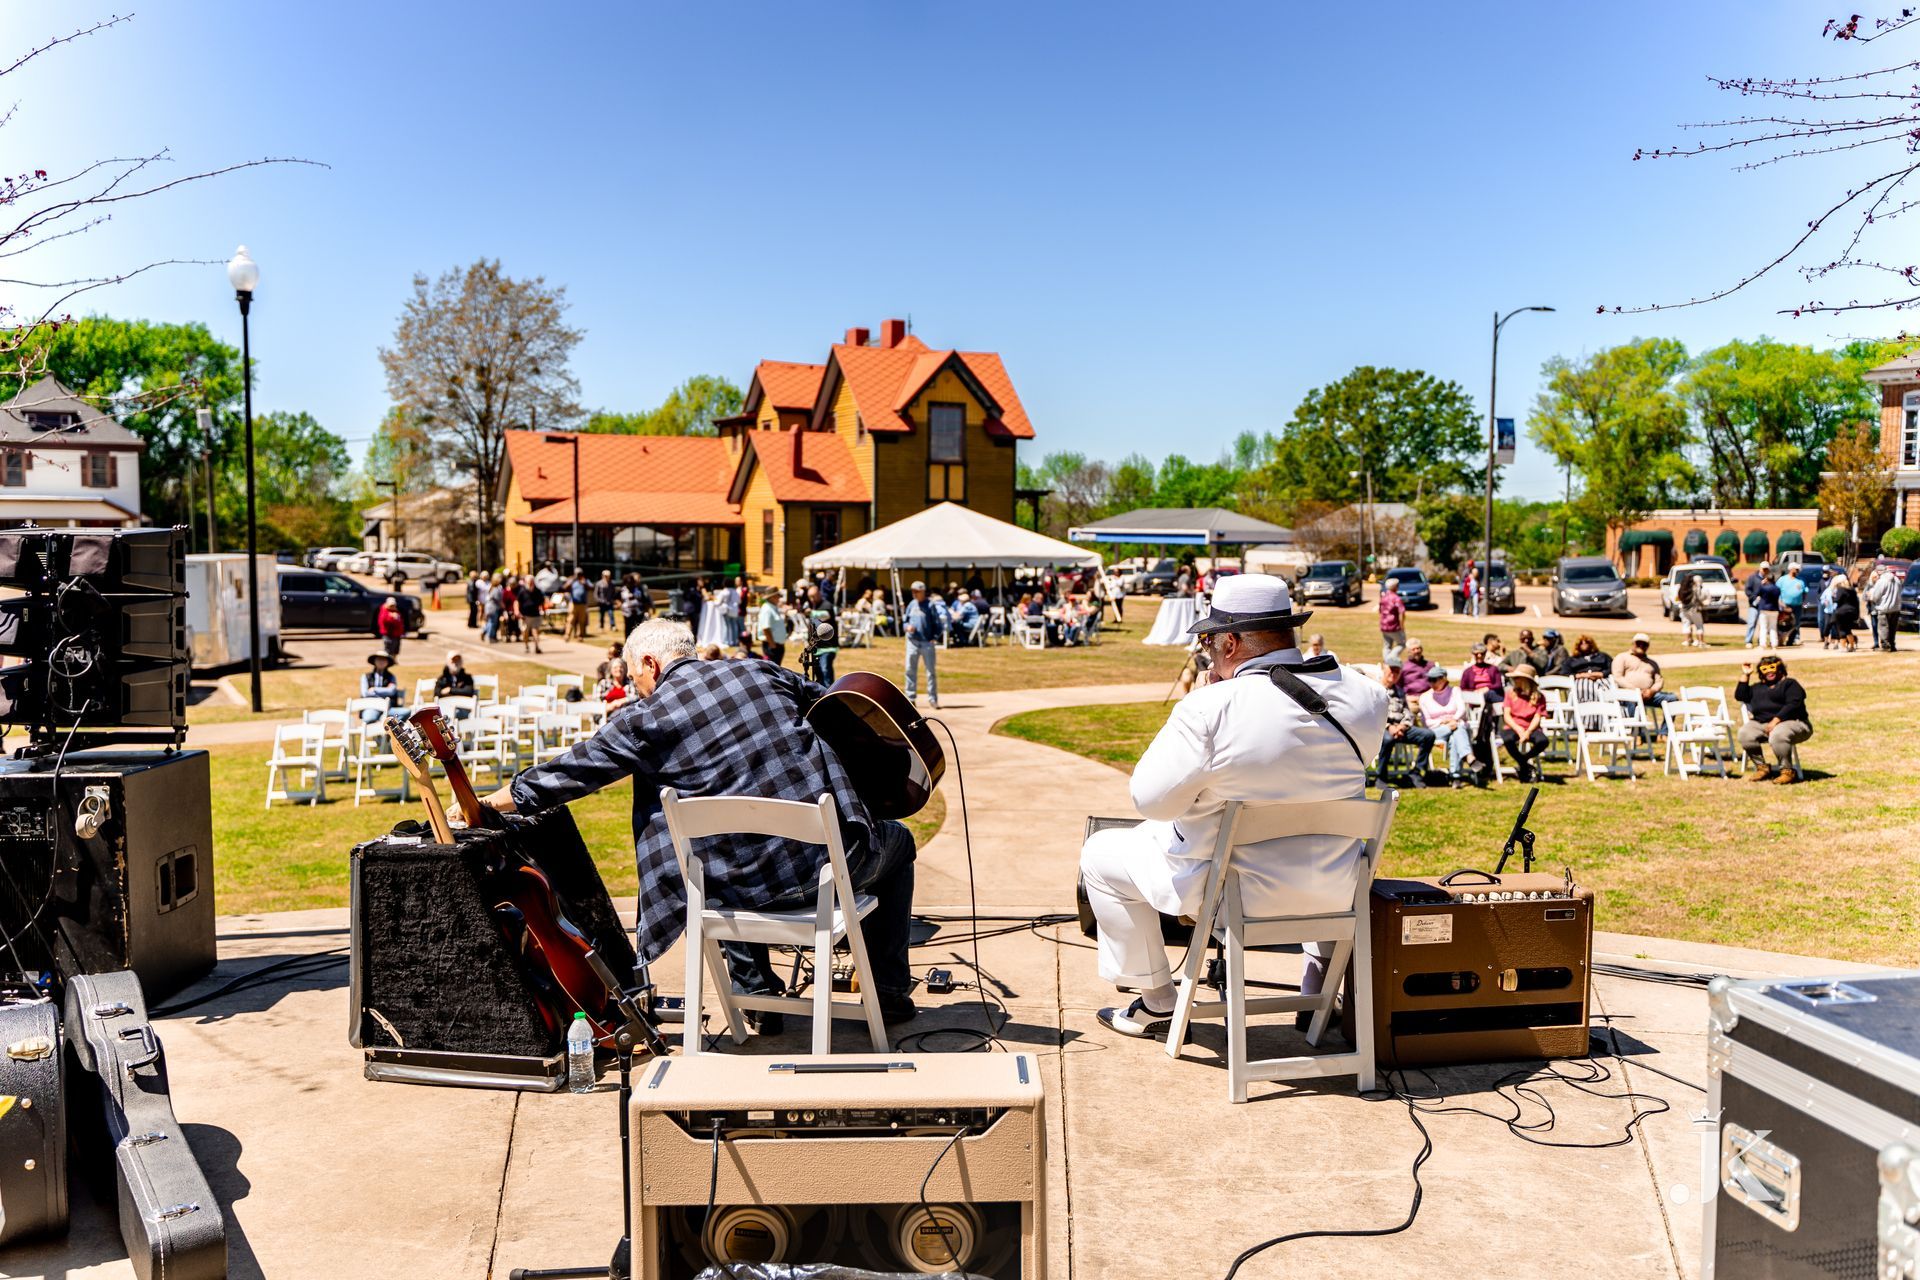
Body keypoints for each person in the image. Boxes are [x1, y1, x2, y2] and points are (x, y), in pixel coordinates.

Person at [479, 618, 921, 1028]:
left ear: (651, 663)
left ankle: (755, 996)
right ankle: (887, 994)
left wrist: (490, 801)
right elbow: (831, 708)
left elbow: (569, 773)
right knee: (899, 842)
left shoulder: (642, 720)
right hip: (836, 870)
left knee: (717, 855)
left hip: (739, 892)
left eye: (636, 679)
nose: (638, 690)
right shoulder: (761, 672)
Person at [1080, 574, 1386, 1037]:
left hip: (1232, 897)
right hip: (1335, 889)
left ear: (1231, 643)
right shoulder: (1368, 696)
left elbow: (1151, 800)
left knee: (1100, 854)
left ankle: (1158, 999)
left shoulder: (1211, 708)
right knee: (1314, 841)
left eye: (1207, 640)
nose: (1206, 651)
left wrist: (1200, 701)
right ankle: (1316, 994)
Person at [1734, 653, 1812, 784]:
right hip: (1763, 724)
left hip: (1795, 723)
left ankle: (1787, 771)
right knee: (1744, 733)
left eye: (1772, 667)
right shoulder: (1757, 688)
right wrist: (1746, 674)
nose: (1769, 671)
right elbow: (1740, 695)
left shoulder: (1789, 684)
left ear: (1780, 668)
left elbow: (1794, 704)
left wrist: (1776, 721)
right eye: (1765, 669)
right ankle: (1762, 768)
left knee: (1778, 734)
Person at [1376, 657, 1435, 787]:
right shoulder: (1375, 689)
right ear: (1384, 669)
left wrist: (1403, 725)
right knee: (1387, 740)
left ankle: (1416, 772)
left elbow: (1407, 712)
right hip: (1381, 728)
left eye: (1397, 671)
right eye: (1391, 670)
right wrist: (1389, 726)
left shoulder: (1400, 691)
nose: (1394, 674)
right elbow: (1372, 713)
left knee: (1428, 735)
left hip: (1401, 728)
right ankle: (1381, 776)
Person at [1417, 667, 1475, 788]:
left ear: (1443, 679)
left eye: (1434, 679)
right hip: (1436, 731)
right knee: (1457, 728)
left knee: (1455, 738)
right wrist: (1445, 723)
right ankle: (1468, 756)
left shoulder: (1455, 691)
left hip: (1456, 726)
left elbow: (1462, 710)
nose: (1431, 683)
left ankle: (1455, 777)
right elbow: (1428, 723)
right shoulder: (1424, 697)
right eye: (1429, 680)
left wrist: (1453, 720)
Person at [1499, 664, 1550, 782]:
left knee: (1543, 741)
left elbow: (1538, 717)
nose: (1514, 680)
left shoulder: (1539, 697)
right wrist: (1518, 729)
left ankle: (1523, 761)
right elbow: (1507, 715)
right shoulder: (1510, 694)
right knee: (1508, 739)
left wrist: (1528, 732)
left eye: (1517, 678)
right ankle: (1525, 765)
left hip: (1531, 727)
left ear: (1526, 680)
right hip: (1513, 726)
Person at [903, 580, 945, 709]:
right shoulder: (911, 604)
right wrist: (907, 627)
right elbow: (905, 621)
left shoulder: (930, 605)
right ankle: (910, 698)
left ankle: (933, 699)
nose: (914, 594)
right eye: (913, 591)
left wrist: (934, 638)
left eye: (916, 591)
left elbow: (938, 624)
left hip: (927, 642)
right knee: (910, 670)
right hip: (912, 641)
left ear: (923, 592)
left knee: (930, 672)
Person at [1611, 633, 1676, 712]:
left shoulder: (1652, 663)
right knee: (1632, 699)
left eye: (1644, 644)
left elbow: (1659, 681)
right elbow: (1618, 677)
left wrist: (1651, 691)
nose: (1641, 645)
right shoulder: (1622, 657)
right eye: (1638, 643)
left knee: (1672, 698)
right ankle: (1635, 724)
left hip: (1649, 695)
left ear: (1648, 646)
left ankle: (1667, 725)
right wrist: (1636, 690)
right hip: (1628, 693)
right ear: (1633, 644)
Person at [801, 584, 838, 683]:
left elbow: (826, 615)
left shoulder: (827, 605)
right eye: (810, 596)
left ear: (819, 594)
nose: (812, 598)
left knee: (825, 670)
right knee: (817, 673)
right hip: (816, 647)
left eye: (814, 596)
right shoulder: (812, 605)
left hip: (828, 647)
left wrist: (811, 613)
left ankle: (829, 693)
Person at [1868, 562, 1902, 652]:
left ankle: (1885, 646)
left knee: (1883, 627)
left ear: (1879, 572)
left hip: (1884, 608)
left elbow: (1875, 596)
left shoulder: (1881, 581)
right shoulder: (1897, 580)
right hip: (1896, 608)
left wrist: (1870, 596)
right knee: (1892, 628)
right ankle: (1892, 645)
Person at [360, 653, 402, 722]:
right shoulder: (365, 676)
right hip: (372, 706)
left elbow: (392, 691)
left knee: (406, 712)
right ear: (374, 661)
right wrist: (383, 694)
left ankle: (388, 729)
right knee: (369, 718)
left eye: (384, 660)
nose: (381, 662)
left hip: (388, 707)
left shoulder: (391, 677)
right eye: (379, 659)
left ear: (387, 662)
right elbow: (365, 693)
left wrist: (374, 689)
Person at [755, 588, 789, 666]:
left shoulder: (772, 608)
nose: (779, 598)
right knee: (773, 670)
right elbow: (765, 628)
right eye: (777, 596)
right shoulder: (767, 609)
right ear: (772, 597)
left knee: (776, 669)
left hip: (776, 646)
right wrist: (772, 644)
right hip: (772, 646)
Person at [1830, 571, 1862, 652]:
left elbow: (1837, 600)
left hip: (1841, 612)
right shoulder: (1852, 590)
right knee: (1848, 629)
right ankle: (1852, 646)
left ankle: (1843, 647)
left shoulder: (1840, 589)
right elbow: (1856, 602)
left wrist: (1832, 597)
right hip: (1852, 611)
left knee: (1841, 629)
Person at [1776, 566, 1806, 646]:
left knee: (1796, 623)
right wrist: (1781, 603)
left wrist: (1802, 601)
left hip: (1797, 606)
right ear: (1790, 569)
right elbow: (1776, 591)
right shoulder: (1782, 579)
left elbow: (1804, 592)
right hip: (1785, 605)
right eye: (1796, 569)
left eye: (1798, 570)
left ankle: (1795, 638)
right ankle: (1780, 639)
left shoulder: (1801, 580)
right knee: (1783, 623)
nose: (1797, 571)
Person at [515, 575, 545, 655]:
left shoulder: (538, 591)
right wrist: (517, 611)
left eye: (532, 582)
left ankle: (537, 647)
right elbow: (517, 602)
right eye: (529, 582)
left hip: (535, 615)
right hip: (525, 616)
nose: (531, 584)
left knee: (535, 631)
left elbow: (542, 601)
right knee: (525, 632)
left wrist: (542, 609)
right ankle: (526, 646)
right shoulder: (522, 591)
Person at [1753, 567, 1781, 650]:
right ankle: (1774, 644)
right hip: (1774, 609)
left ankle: (1763, 644)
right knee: (1773, 627)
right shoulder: (1777, 588)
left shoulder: (1763, 587)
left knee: (1763, 627)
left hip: (1764, 609)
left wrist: (1762, 584)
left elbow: (1757, 593)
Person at [1378, 577, 1406, 660]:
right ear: (1395, 587)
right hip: (1393, 626)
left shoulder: (1383, 597)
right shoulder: (1396, 598)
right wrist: (1402, 625)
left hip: (1383, 626)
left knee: (1387, 646)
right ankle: (1390, 660)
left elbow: (1380, 611)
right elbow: (1402, 612)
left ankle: (1387, 663)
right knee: (1402, 644)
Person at [1676, 571, 1704, 648]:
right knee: (1699, 626)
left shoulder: (1681, 588)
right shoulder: (1695, 588)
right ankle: (1701, 642)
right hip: (1694, 609)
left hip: (1684, 609)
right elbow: (1699, 598)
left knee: (1686, 625)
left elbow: (1678, 598)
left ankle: (1687, 641)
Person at [1742, 564, 1766, 647]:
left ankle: (1761, 641)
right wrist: (1754, 598)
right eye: (1764, 569)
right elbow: (1747, 590)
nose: (1765, 571)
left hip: (1764, 606)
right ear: (1760, 568)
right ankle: (1748, 640)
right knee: (1751, 623)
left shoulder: (1768, 578)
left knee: (1762, 625)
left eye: (1767, 569)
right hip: (1754, 605)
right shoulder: (1753, 577)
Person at [376, 594, 406, 659]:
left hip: (397, 634)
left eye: (393, 605)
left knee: (396, 649)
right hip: (388, 634)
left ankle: (394, 660)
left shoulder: (396, 612)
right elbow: (383, 621)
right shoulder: (384, 611)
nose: (392, 607)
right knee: (389, 649)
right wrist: (391, 617)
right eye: (391, 605)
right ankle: (388, 660)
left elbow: (400, 622)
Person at [565, 569, 591, 641]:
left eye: (580, 574)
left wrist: (584, 583)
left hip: (582, 604)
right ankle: (567, 635)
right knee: (570, 620)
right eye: (577, 574)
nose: (578, 575)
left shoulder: (585, 580)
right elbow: (565, 588)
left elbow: (591, 587)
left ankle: (580, 636)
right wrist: (572, 580)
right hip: (573, 603)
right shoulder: (572, 580)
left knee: (581, 621)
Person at [723, 577, 745, 649]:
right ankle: (735, 641)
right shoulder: (735, 591)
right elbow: (739, 601)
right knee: (734, 626)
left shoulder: (725, 591)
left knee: (728, 626)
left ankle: (728, 641)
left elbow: (718, 602)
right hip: (734, 611)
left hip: (727, 611)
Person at [483, 574, 504, 644]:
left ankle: (485, 631)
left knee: (490, 622)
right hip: (493, 608)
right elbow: (499, 600)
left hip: (489, 608)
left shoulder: (492, 588)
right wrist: (503, 606)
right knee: (493, 623)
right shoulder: (496, 590)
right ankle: (491, 637)